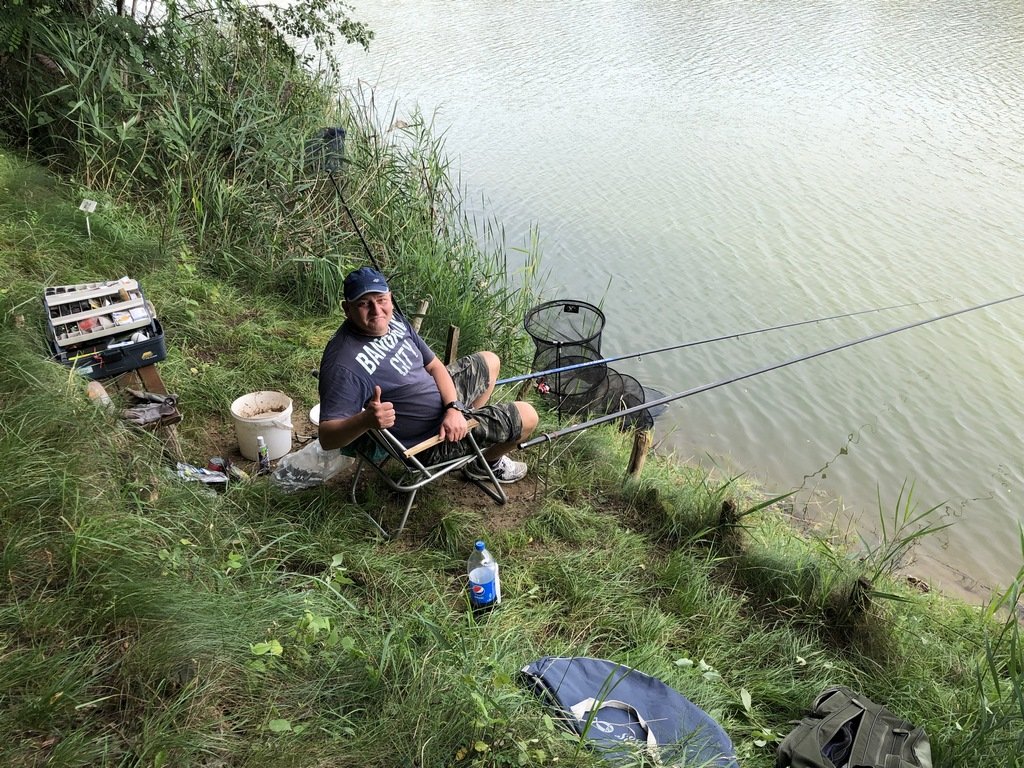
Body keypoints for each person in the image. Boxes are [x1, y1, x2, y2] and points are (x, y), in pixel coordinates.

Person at [317, 266, 538, 482]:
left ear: (390, 298)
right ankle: (485, 464)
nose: (377, 310)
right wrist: (365, 420)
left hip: (445, 406)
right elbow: (327, 439)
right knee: (528, 416)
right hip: (429, 442)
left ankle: (464, 431)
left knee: (490, 360)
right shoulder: (343, 364)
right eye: (364, 304)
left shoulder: (394, 321)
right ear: (347, 309)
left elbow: (435, 367)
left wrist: (454, 409)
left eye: (381, 300)